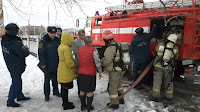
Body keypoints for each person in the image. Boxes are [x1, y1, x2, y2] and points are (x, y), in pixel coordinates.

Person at [1, 23, 30, 107]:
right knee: (16, 82)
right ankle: (10, 100)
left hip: (10, 63)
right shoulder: (14, 43)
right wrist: (26, 49)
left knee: (17, 79)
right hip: (16, 64)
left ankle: (19, 95)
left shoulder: (5, 39)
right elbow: (23, 53)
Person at [101, 30, 125, 109]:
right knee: (119, 85)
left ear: (107, 40)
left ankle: (114, 104)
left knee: (112, 87)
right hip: (121, 69)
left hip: (114, 71)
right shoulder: (118, 44)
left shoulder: (110, 48)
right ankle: (121, 99)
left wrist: (100, 62)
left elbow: (107, 60)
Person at [78, 36, 102, 112]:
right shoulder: (94, 50)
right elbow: (97, 62)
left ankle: (83, 105)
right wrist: (100, 72)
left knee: (82, 90)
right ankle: (89, 107)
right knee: (89, 91)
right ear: (91, 41)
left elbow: (79, 60)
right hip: (90, 73)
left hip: (81, 72)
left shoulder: (80, 50)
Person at [152, 32, 179, 102]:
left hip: (158, 66)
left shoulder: (160, 44)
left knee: (157, 82)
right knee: (168, 82)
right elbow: (176, 58)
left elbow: (156, 49)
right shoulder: (175, 48)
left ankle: (156, 96)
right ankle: (169, 96)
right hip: (168, 68)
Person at [129, 25, 157, 90]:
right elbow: (152, 33)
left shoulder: (133, 40)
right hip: (144, 59)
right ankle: (139, 84)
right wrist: (155, 27)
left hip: (135, 59)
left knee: (135, 71)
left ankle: (135, 83)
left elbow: (130, 50)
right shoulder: (146, 37)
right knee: (142, 72)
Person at [38, 26, 61, 101]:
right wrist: (43, 64)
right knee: (47, 80)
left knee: (55, 79)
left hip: (56, 63)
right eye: (51, 33)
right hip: (47, 64)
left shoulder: (57, 40)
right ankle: (46, 95)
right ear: (48, 32)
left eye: (54, 33)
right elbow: (41, 54)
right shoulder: (43, 41)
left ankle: (56, 91)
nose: (53, 35)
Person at [57, 33, 77, 110]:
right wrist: (74, 65)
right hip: (66, 69)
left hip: (62, 67)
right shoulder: (66, 48)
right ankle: (65, 104)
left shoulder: (61, 46)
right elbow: (69, 62)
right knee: (65, 88)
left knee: (63, 87)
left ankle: (65, 102)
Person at [71, 29, 85, 97]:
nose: (84, 36)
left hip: (85, 63)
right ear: (79, 35)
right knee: (79, 78)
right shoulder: (75, 42)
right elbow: (75, 52)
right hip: (79, 62)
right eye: (82, 35)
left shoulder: (85, 41)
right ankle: (80, 91)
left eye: (84, 35)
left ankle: (84, 90)